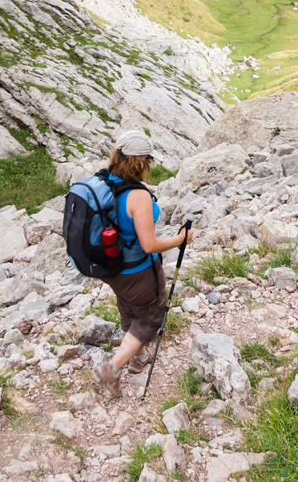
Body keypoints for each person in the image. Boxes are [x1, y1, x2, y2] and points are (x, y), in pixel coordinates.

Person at [93, 129, 193, 397]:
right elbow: (149, 244)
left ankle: (139, 356)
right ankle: (112, 368)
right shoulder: (138, 196)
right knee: (150, 315)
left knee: (129, 309)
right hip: (138, 271)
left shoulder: (104, 183)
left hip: (111, 269)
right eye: (149, 160)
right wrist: (180, 239)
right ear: (142, 162)